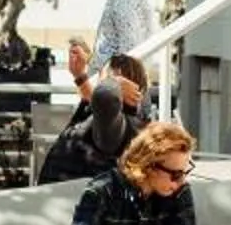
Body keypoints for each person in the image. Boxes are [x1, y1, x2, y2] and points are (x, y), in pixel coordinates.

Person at [40, 41, 154, 189]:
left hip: (65, 204)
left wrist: (112, 83)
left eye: (104, 77)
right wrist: (80, 76)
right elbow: (94, 98)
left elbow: (104, 98)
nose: (100, 81)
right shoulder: (111, 117)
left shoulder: (117, 127)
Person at [72, 120, 199, 225]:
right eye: (176, 175)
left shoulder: (180, 192)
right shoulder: (101, 192)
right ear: (150, 166)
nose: (182, 181)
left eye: (185, 172)